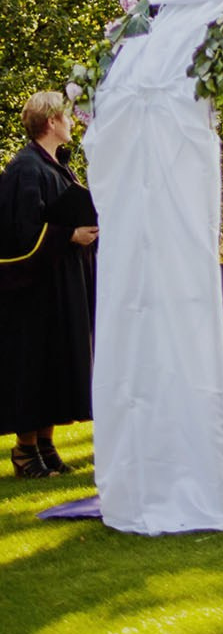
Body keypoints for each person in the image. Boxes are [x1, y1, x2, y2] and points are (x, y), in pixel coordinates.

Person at [0, 92, 99, 478]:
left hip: (60, 283)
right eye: (66, 117)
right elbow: (19, 233)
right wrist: (68, 235)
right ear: (51, 122)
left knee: (58, 362)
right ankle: (25, 452)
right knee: (35, 364)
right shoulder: (25, 169)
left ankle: (45, 445)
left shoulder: (55, 166)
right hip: (32, 290)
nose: (72, 123)